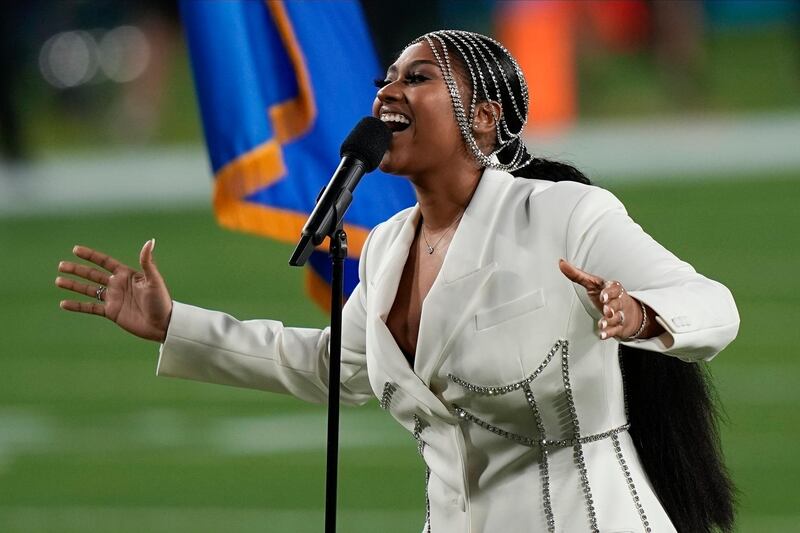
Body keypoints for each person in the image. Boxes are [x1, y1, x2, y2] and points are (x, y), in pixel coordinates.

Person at [56, 30, 739, 533]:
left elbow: (714, 305)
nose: (387, 91)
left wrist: (640, 315)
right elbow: (332, 365)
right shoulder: (383, 247)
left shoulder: (560, 214)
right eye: (388, 78)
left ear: (483, 119)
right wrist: (176, 324)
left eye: (418, 78)